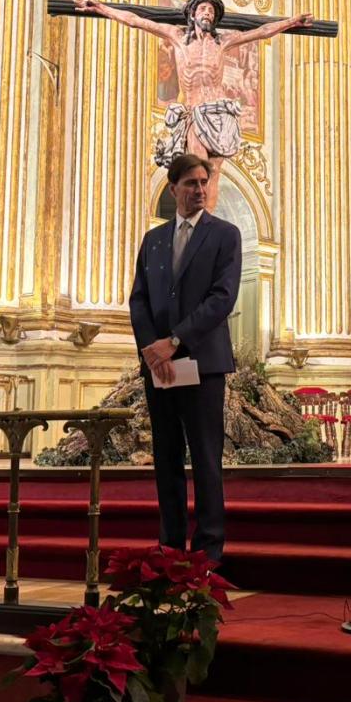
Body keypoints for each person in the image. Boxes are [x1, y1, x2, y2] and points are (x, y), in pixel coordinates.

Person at [76, 0, 312, 212]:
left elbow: (263, 31)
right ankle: (198, 221)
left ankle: (206, 224)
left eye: (211, 11)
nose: (208, 13)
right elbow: (136, 21)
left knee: (215, 171)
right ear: (193, 14)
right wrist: (100, 8)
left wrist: (291, 22)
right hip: (195, 112)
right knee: (200, 168)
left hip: (220, 114)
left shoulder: (223, 42)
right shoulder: (177, 38)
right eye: (203, 9)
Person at [129, 153, 241, 568]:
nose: (199, 190)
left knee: (206, 458)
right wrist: (151, 348)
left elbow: (221, 299)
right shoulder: (153, 240)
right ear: (172, 188)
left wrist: (174, 341)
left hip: (203, 364)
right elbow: (138, 300)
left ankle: (209, 550)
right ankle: (171, 545)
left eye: (203, 182)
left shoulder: (225, 235)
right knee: (167, 458)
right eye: (190, 183)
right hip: (159, 367)